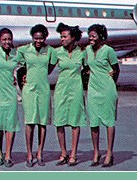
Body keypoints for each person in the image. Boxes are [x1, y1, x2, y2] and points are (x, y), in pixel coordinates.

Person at [16, 24, 56, 167]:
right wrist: (23, 75)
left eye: (41, 38)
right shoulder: (25, 49)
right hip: (29, 89)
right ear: (32, 37)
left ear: (45, 37)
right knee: (30, 122)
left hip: (44, 88)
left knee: (42, 122)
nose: (38, 41)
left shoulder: (50, 51)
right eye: (36, 38)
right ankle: (29, 153)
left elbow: (50, 68)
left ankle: (40, 153)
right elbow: (18, 64)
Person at [50, 23, 87, 166]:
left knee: (75, 121)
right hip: (61, 89)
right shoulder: (57, 52)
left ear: (73, 38)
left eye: (65, 36)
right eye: (61, 36)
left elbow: (91, 67)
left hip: (76, 89)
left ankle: (73, 154)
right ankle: (63, 152)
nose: (62, 39)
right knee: (59, 121)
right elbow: (47, 68)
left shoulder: (82, 52)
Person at [85, 24, 120, 168]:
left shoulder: (108, 51)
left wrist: (110, 83)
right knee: (93, 122)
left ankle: (109, 153)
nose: (91, 38)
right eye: (89, 35)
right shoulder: (87, 50)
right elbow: (85, 66)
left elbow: (116, 69)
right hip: (93, 90)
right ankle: (96, 152)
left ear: (101, 37)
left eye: (93, 36)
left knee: (109, 121)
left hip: (107, 90)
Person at [0, 28, 20, 168]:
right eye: (4, 39)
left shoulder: (16, 54)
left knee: (11, 124)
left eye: (9, 39)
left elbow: (24, 66)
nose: (7, 41)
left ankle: (8, 154)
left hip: (10, 93)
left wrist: (19, 76)